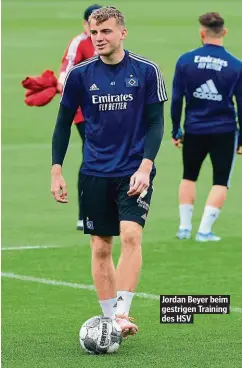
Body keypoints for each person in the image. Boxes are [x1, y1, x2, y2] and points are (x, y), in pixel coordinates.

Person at [51, 6, 167, 336]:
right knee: (101, 247)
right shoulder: (80, 75)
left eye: (106, 32)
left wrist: (146, 166)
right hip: (94, 172)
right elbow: (62, 125)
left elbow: (157, 123)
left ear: (122, 33)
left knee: (131, 235)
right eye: (94, 33)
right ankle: (109, 317)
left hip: (134, 169)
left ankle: (122, 313)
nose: (99, 38)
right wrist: (56, 171)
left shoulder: (147, 71)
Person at [171, 12, 242, 242]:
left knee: (188, 176)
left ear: (202, 33)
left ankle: (184, 227)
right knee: (221, 180)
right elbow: (241, 105)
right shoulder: (236, 65)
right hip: (224, 129)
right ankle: (204, 230)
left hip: (194, 127)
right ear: (225, 32)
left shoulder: (185, 60)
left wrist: (176, 129)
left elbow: (176, 99)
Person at [58, 4, 102, 231]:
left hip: (107, 109)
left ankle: (98, 210)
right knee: (92, 155)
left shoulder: (109, 41)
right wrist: (62, 83)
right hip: (83, 111)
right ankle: (85, 214)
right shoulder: (80, 42)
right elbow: (67, 68)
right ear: (86, 24)